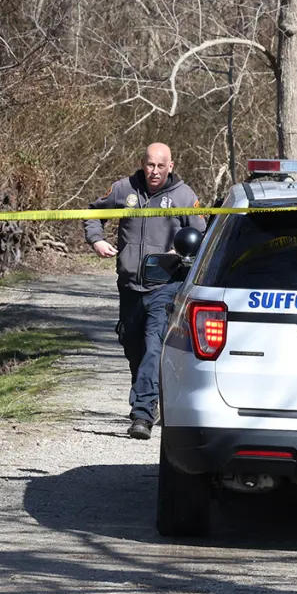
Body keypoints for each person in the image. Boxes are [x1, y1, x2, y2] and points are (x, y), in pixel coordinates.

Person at [83, 142, 207, 438]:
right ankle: (150, 396)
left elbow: (201, 234)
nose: (155, 171)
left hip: (165, 285)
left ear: (170, 166)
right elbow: (91, 213)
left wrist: (180, 251)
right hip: (129, 286)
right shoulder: (123, 189)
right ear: (142, 163)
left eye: (161, 166)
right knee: (133, 346)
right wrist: (97, 239)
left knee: (154, 347)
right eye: (150, 164)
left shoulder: (184, 196)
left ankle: (142, 414)